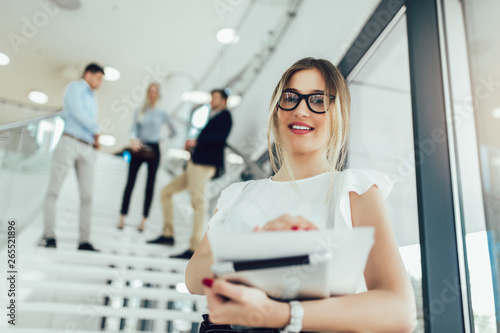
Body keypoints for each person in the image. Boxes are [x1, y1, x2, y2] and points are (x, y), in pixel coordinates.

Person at [185, 58, 416, 332]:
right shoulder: (237, 194)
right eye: (291, 97)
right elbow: (193, 277)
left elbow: (399, 311)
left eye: (317, 100)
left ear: (337, 111)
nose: (301, 110)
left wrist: (281, 314)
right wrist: (258, 247)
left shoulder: (355, 188)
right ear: (276, 111)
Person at [147, 89, 233, 260]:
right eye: (211, 98)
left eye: (215, 98)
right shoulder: (214, 115)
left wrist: (197, 141)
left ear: (224, 101)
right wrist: (194, 146)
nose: (211, 101)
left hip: (204, 165)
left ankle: (195, 248)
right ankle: (168, 234)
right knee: (166, 192)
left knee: (198, 203)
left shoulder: (225, 116)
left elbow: (219, 139)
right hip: (194, 164)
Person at [42, 63, 104, 251]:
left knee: (88, 196)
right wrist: (97, 130)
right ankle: (49, 235)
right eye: (98, 78)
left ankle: (84, 240)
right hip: (69, 141)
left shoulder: (94, 99)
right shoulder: (75, 88)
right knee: (54, 190)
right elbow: (77, 113)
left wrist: (94, 139)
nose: (100, 83)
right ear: (88, 74)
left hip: (87, 147)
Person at [118, 82, 176, 232]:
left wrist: (162, 139)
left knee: (150, 185)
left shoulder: (162, 113)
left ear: (158, 95)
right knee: (130, 182)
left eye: (155, 92)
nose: (152, 94)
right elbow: (133, 129)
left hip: (154, 149)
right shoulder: (139, 111)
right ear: (147, 93)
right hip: (139, 147)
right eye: (150, 91)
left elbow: (173, 131)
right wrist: (133, 140)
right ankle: (122, 217)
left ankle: (144, 220)